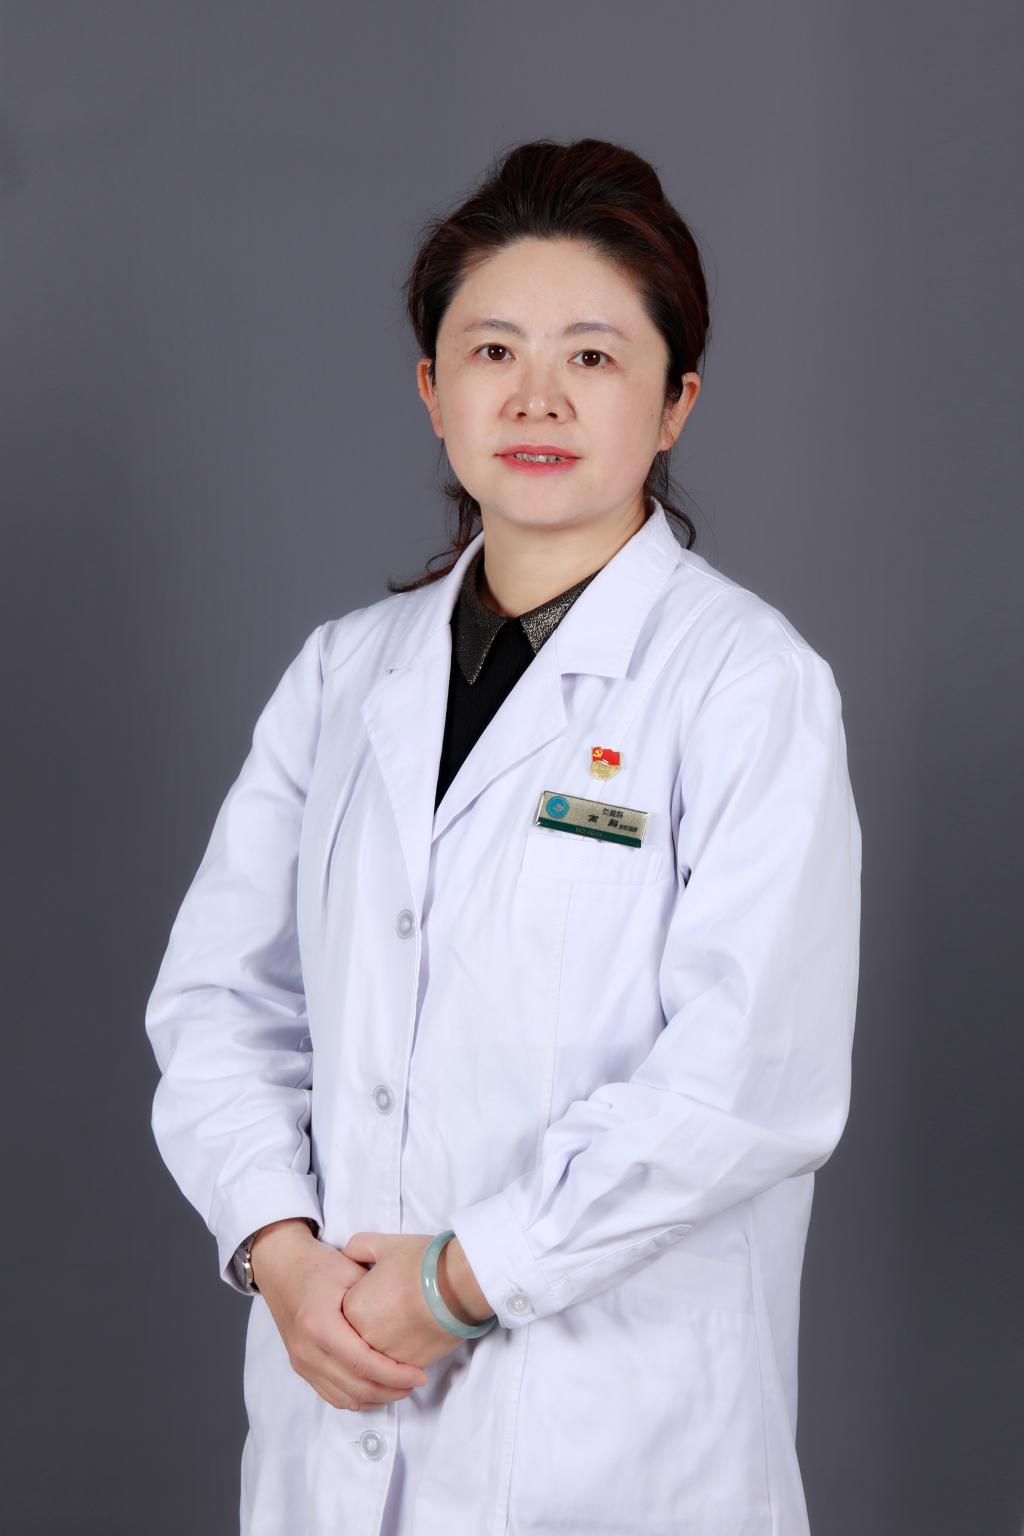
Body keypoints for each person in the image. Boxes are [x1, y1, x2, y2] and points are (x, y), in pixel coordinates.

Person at [145, 136, 862, 1536]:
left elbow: (745, 1081)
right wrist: (280, 1251)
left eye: (594, 356)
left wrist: (458, 1281)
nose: (537, 397)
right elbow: (220, 1002)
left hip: (621, 1448)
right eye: (491, 353)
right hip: (333, 1399)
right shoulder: (344, 673)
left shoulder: (746, 685)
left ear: (676, 401)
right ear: (432, 391)